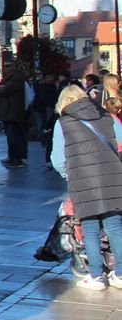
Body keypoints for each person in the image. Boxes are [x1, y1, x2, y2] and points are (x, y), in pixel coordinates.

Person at [53, 84, 122, 290]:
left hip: (83, 180)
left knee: (89, 227)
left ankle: (97, 276)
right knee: (114, 226)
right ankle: (120, 274)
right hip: (113, 178)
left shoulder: (63, 123)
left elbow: (57, 159)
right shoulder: (107, 117)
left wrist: (69, 174)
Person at [0, 61, 30, 167]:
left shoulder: (17, 77)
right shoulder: (7, 77)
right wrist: (0, 88)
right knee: (10, 135)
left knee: (14, 136)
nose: (6, 68)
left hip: (13, 112)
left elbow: (6, 90)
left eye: (8, 66)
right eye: (4, 66)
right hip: (7, 112)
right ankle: (12, 156)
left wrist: (1, 89)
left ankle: (17, 158)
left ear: (15, 66)